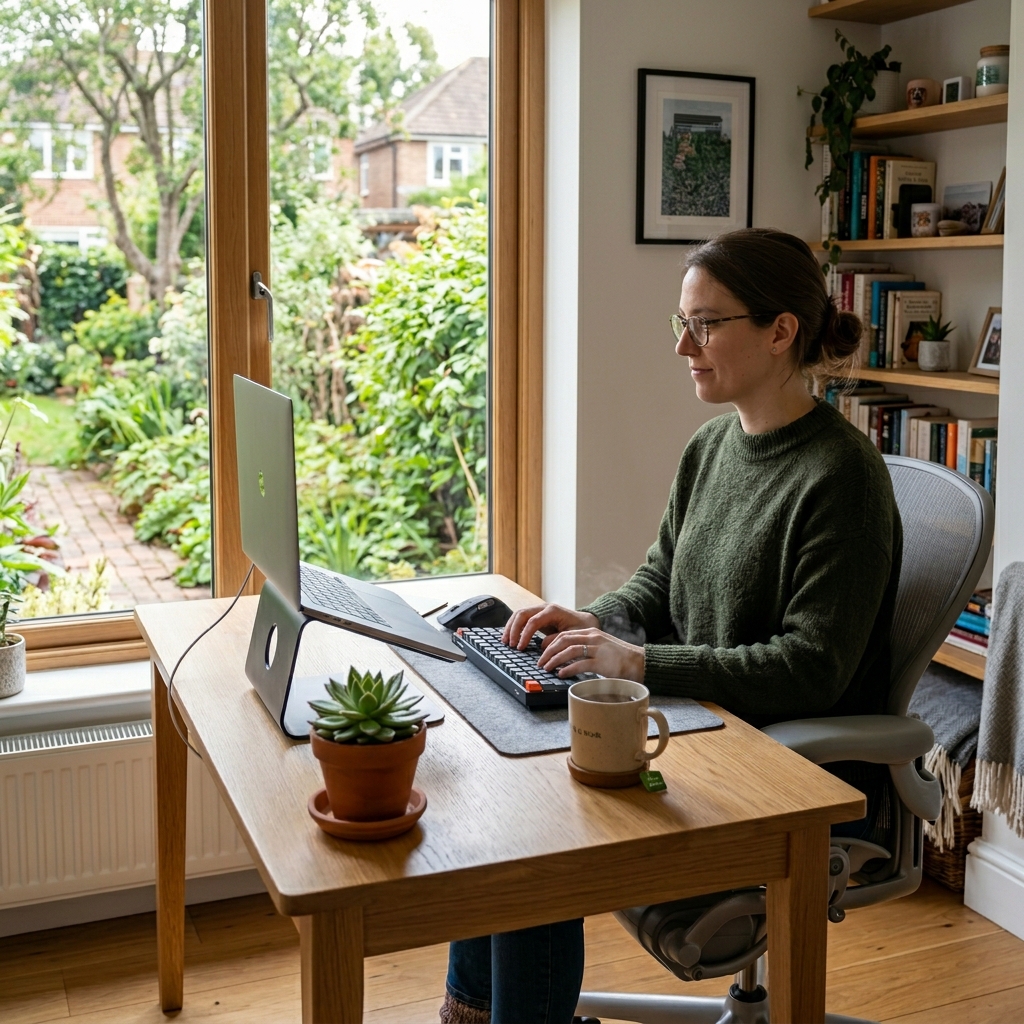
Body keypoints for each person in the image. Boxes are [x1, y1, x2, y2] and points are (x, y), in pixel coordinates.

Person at [439, 228, 903, 1024]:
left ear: (780, 331)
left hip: (782, 770)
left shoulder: (842, 479)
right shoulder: (712, 445)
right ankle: (473, 1015)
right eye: (680, 322)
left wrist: (640, 661)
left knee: (543, 842)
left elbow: (809, 668)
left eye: (707, 323)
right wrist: (594, 622)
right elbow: (657, 582)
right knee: (511, 803)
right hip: (698, 729)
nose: (684, 345)